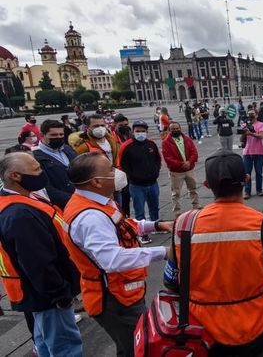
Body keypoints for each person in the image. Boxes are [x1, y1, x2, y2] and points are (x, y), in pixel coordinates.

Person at [166, 150, 263, 356]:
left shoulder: (184, 225)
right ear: (246, 180)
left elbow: (171, 282)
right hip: (254, 328)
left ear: (207, 184)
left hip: (203, 332)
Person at [63, 152, 174, 357]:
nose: (117, 172)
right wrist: (165, 252)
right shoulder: (90, 217)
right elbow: (112, 259)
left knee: (134, 344)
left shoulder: (101, 201)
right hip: (113, 297)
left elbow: (125, 225)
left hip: (124, 290)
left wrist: (157, 225)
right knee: (137, 348)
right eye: (111, 169)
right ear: (96, 181)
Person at [0, 152, 83, 357]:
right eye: (36, 169)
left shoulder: (25, 198)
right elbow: (37, 261)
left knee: (45, 341)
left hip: (39, 293)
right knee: (65, 346)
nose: (41, 172)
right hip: (47, 295)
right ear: (15, 176)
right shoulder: (19, 214)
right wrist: (60, 294)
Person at [118, 120, 162, 233]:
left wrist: (156, 170)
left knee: (154, 207)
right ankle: (141, 232)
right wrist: (132, 175)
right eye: (138, 131)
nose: (141, 133)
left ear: (146, 131)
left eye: (143, 131)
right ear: (133, 131)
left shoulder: (151, 144)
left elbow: (158, 159)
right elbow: (122, 164)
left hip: (152, 183)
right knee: (139, 210)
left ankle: (156, 226)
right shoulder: (126, 146)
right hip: (136, 185)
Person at [34, 120, 78, 208]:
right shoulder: (35, 158)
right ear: (42, 135)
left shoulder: (68, 149)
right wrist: (75, 200)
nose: (58, 137)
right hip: (63, 206)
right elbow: (46, 188)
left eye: (61, 135)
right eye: (53, 135)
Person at [162, 122, 200, 218]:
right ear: (169, 130)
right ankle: (177, 212)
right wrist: (181, 164)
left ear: (180, 128)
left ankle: (196, 207)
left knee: (193, 189)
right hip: (176, 172)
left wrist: (189, 162)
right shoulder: (166, 142)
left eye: (177, 128)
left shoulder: (187, 139)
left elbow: (194, 153)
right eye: (173, 129)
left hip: (189, 169)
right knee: (176, 193)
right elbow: (168, 158)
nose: (175, 130)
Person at [242, 109, 263, 198]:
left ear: (256, 115)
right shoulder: (245, 125)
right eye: (249, 114)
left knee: (259, 172)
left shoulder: (261, 125)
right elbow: (241, 140)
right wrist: (244, 133)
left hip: (259, 151)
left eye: (252, 114)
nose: (250, 116)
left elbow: (261, 136)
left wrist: (251, 133)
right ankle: (247, 191)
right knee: (246, 173)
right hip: (247, 152)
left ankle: (259, 190)